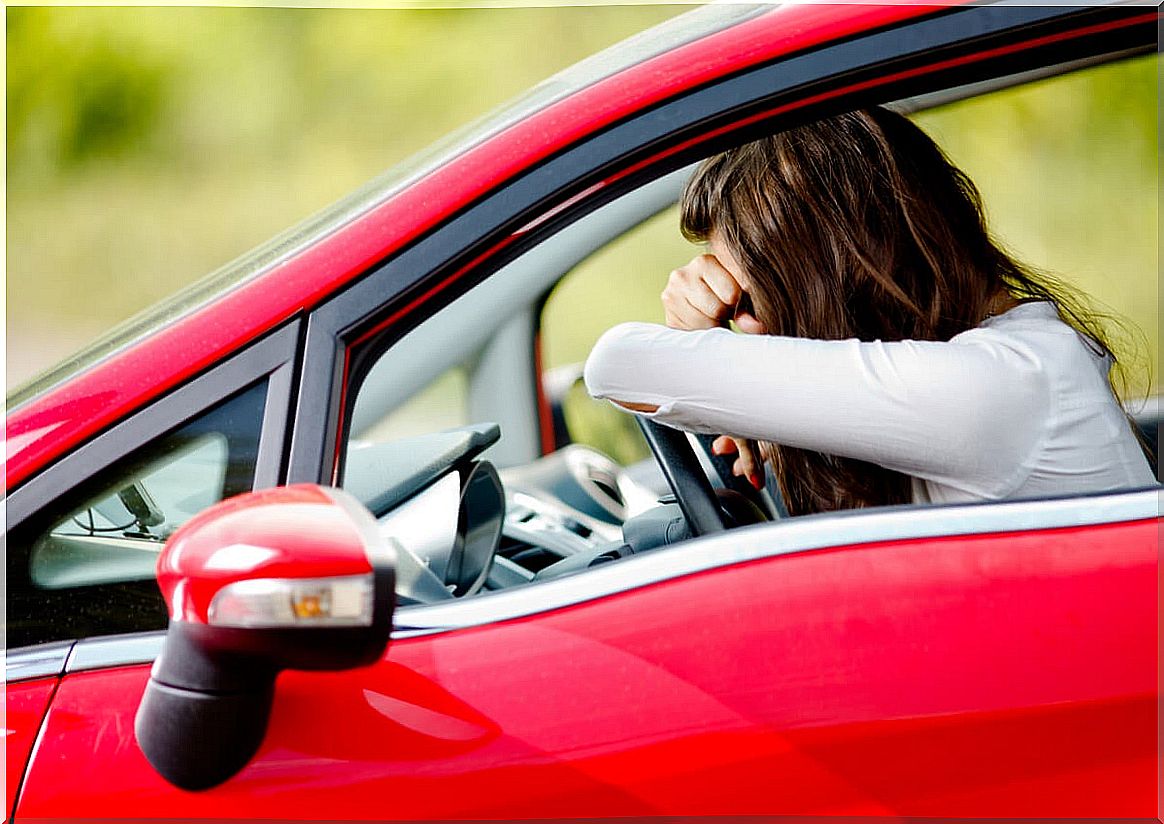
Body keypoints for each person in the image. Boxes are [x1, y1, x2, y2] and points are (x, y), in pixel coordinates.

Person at [583, 107, 1155, 516]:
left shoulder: (998, 390)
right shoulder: (1016, 360)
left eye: (748, 300)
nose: (749, 329)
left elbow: (617, 363)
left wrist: (701, 347)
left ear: (834, 273)